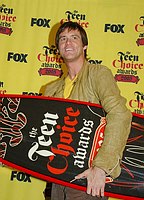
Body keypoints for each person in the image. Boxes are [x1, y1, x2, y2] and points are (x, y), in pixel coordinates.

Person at [44, 21, 132, 200]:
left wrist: (102, 167)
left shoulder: (97, 74)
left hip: (89, 175)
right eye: (63, 39)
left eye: (74, 38)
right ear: (58, 48)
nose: (68, 43)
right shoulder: (50, 89)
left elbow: (120, 115)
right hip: (57, 176)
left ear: (84, 45)